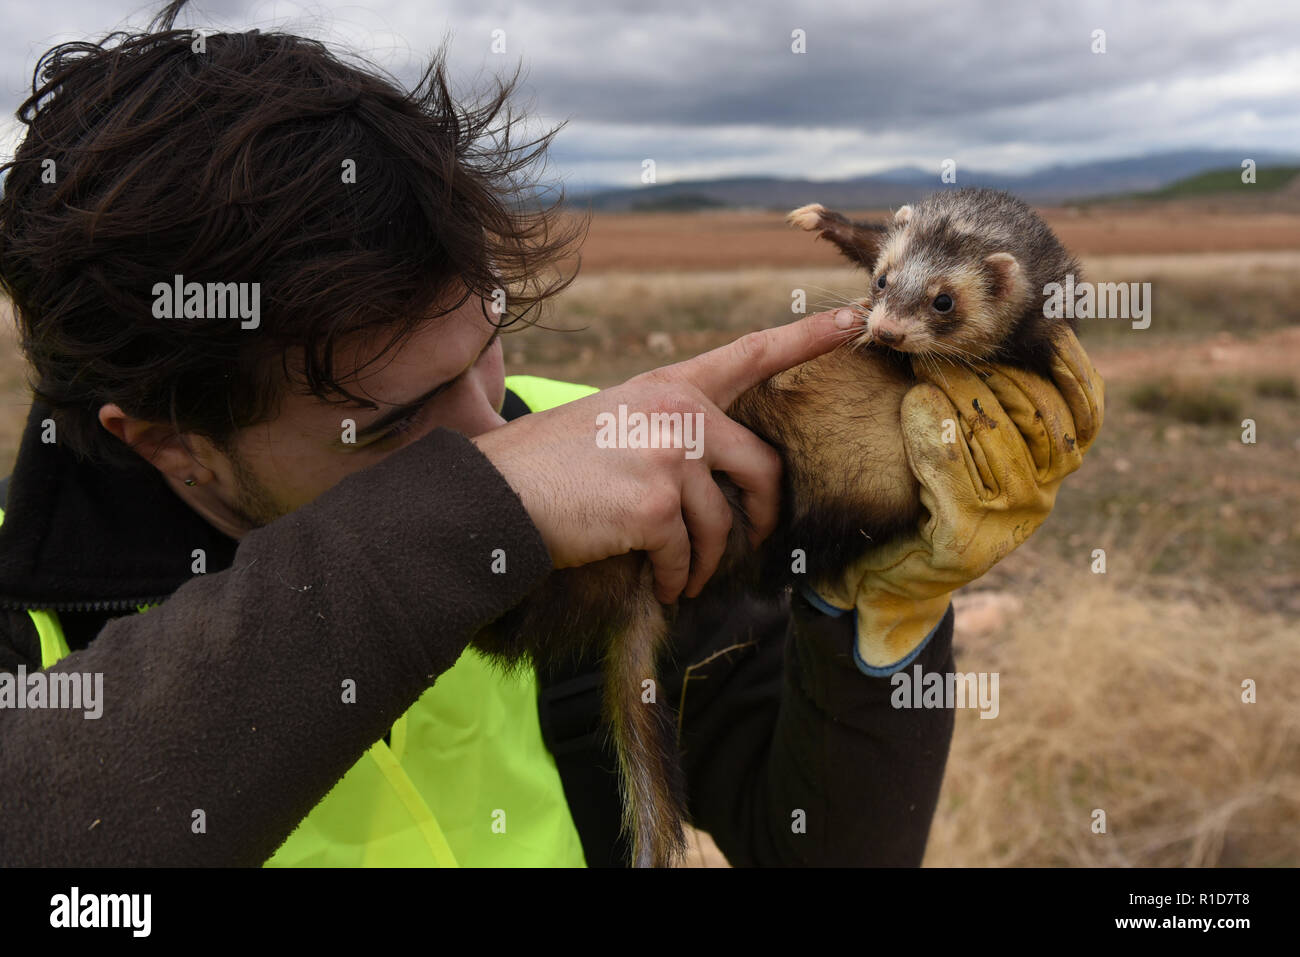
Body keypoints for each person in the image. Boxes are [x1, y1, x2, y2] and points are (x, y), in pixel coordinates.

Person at [0, 2, 1102, 867]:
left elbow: (818, 849)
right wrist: (480, 523)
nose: (504, 429)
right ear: (165, 443)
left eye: (483, 345)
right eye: (394, 425)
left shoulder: (613, 451)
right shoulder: (31, 639)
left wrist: (875, 604)